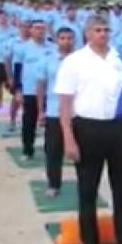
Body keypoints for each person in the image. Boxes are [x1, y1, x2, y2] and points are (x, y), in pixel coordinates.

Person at [54, 17, 122, 244]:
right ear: (87, 33)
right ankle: (89, 242)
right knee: (87, 188)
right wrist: (68, 138)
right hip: (86, 129)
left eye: (106, 30)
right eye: (97, 30)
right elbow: (64, 104)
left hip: (117, 128)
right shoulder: (73, 62)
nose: (103, 34)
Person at [39, 26, 76, 198]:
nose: (66, 41)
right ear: (56, 40)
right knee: (53, 150)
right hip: (55, 112)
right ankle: (54, 184)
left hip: (79, 113)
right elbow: (41, 85)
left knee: (82, 150)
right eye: (62, 38)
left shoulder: (81, 60)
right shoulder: (48, 59)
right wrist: (41, 110)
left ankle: (84, 184)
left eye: (69, 38)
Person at [18, 19, 54, 159]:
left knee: (51, 124)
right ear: (31, 30)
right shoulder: (23, 48)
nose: (40, 31)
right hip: (29, 91)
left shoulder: (52, 48)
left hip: (49, 92)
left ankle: (49, 150)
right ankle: (28, 150)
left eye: (42, 28)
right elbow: (18, 69)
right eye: (37, 28)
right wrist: (18, 89)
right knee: (29, 122)